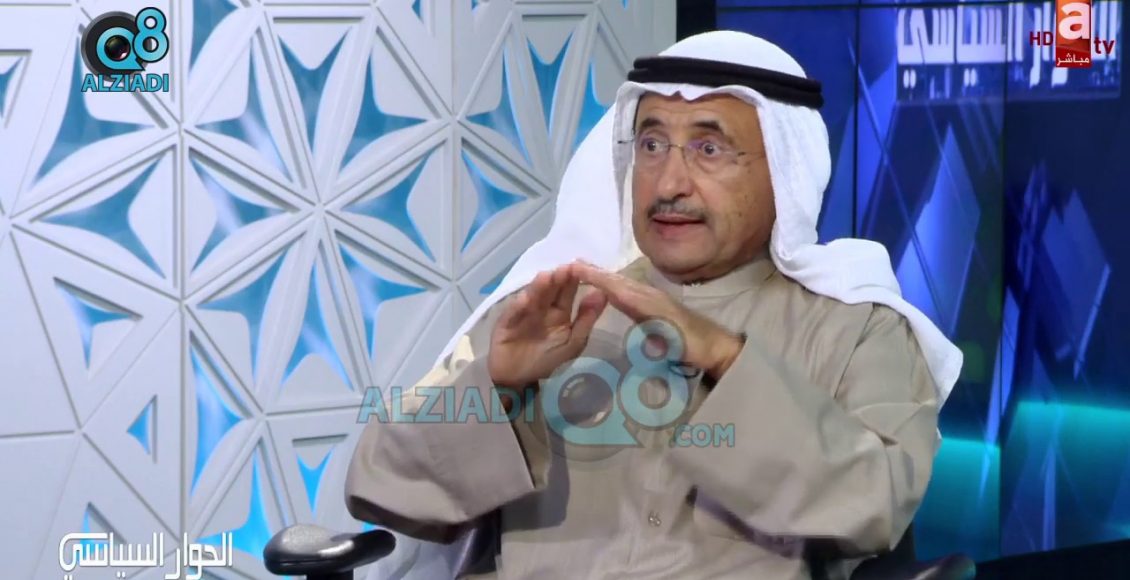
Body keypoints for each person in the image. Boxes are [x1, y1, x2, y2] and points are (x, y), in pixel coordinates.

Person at [345, 31, 962, 580]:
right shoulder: (556, 308)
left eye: (709, 150)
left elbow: (876, 506)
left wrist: (725, 356)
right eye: (651, 145)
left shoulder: (856, 326)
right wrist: (497, 383)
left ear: (784, 170)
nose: (669, 184)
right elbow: (380, 486)